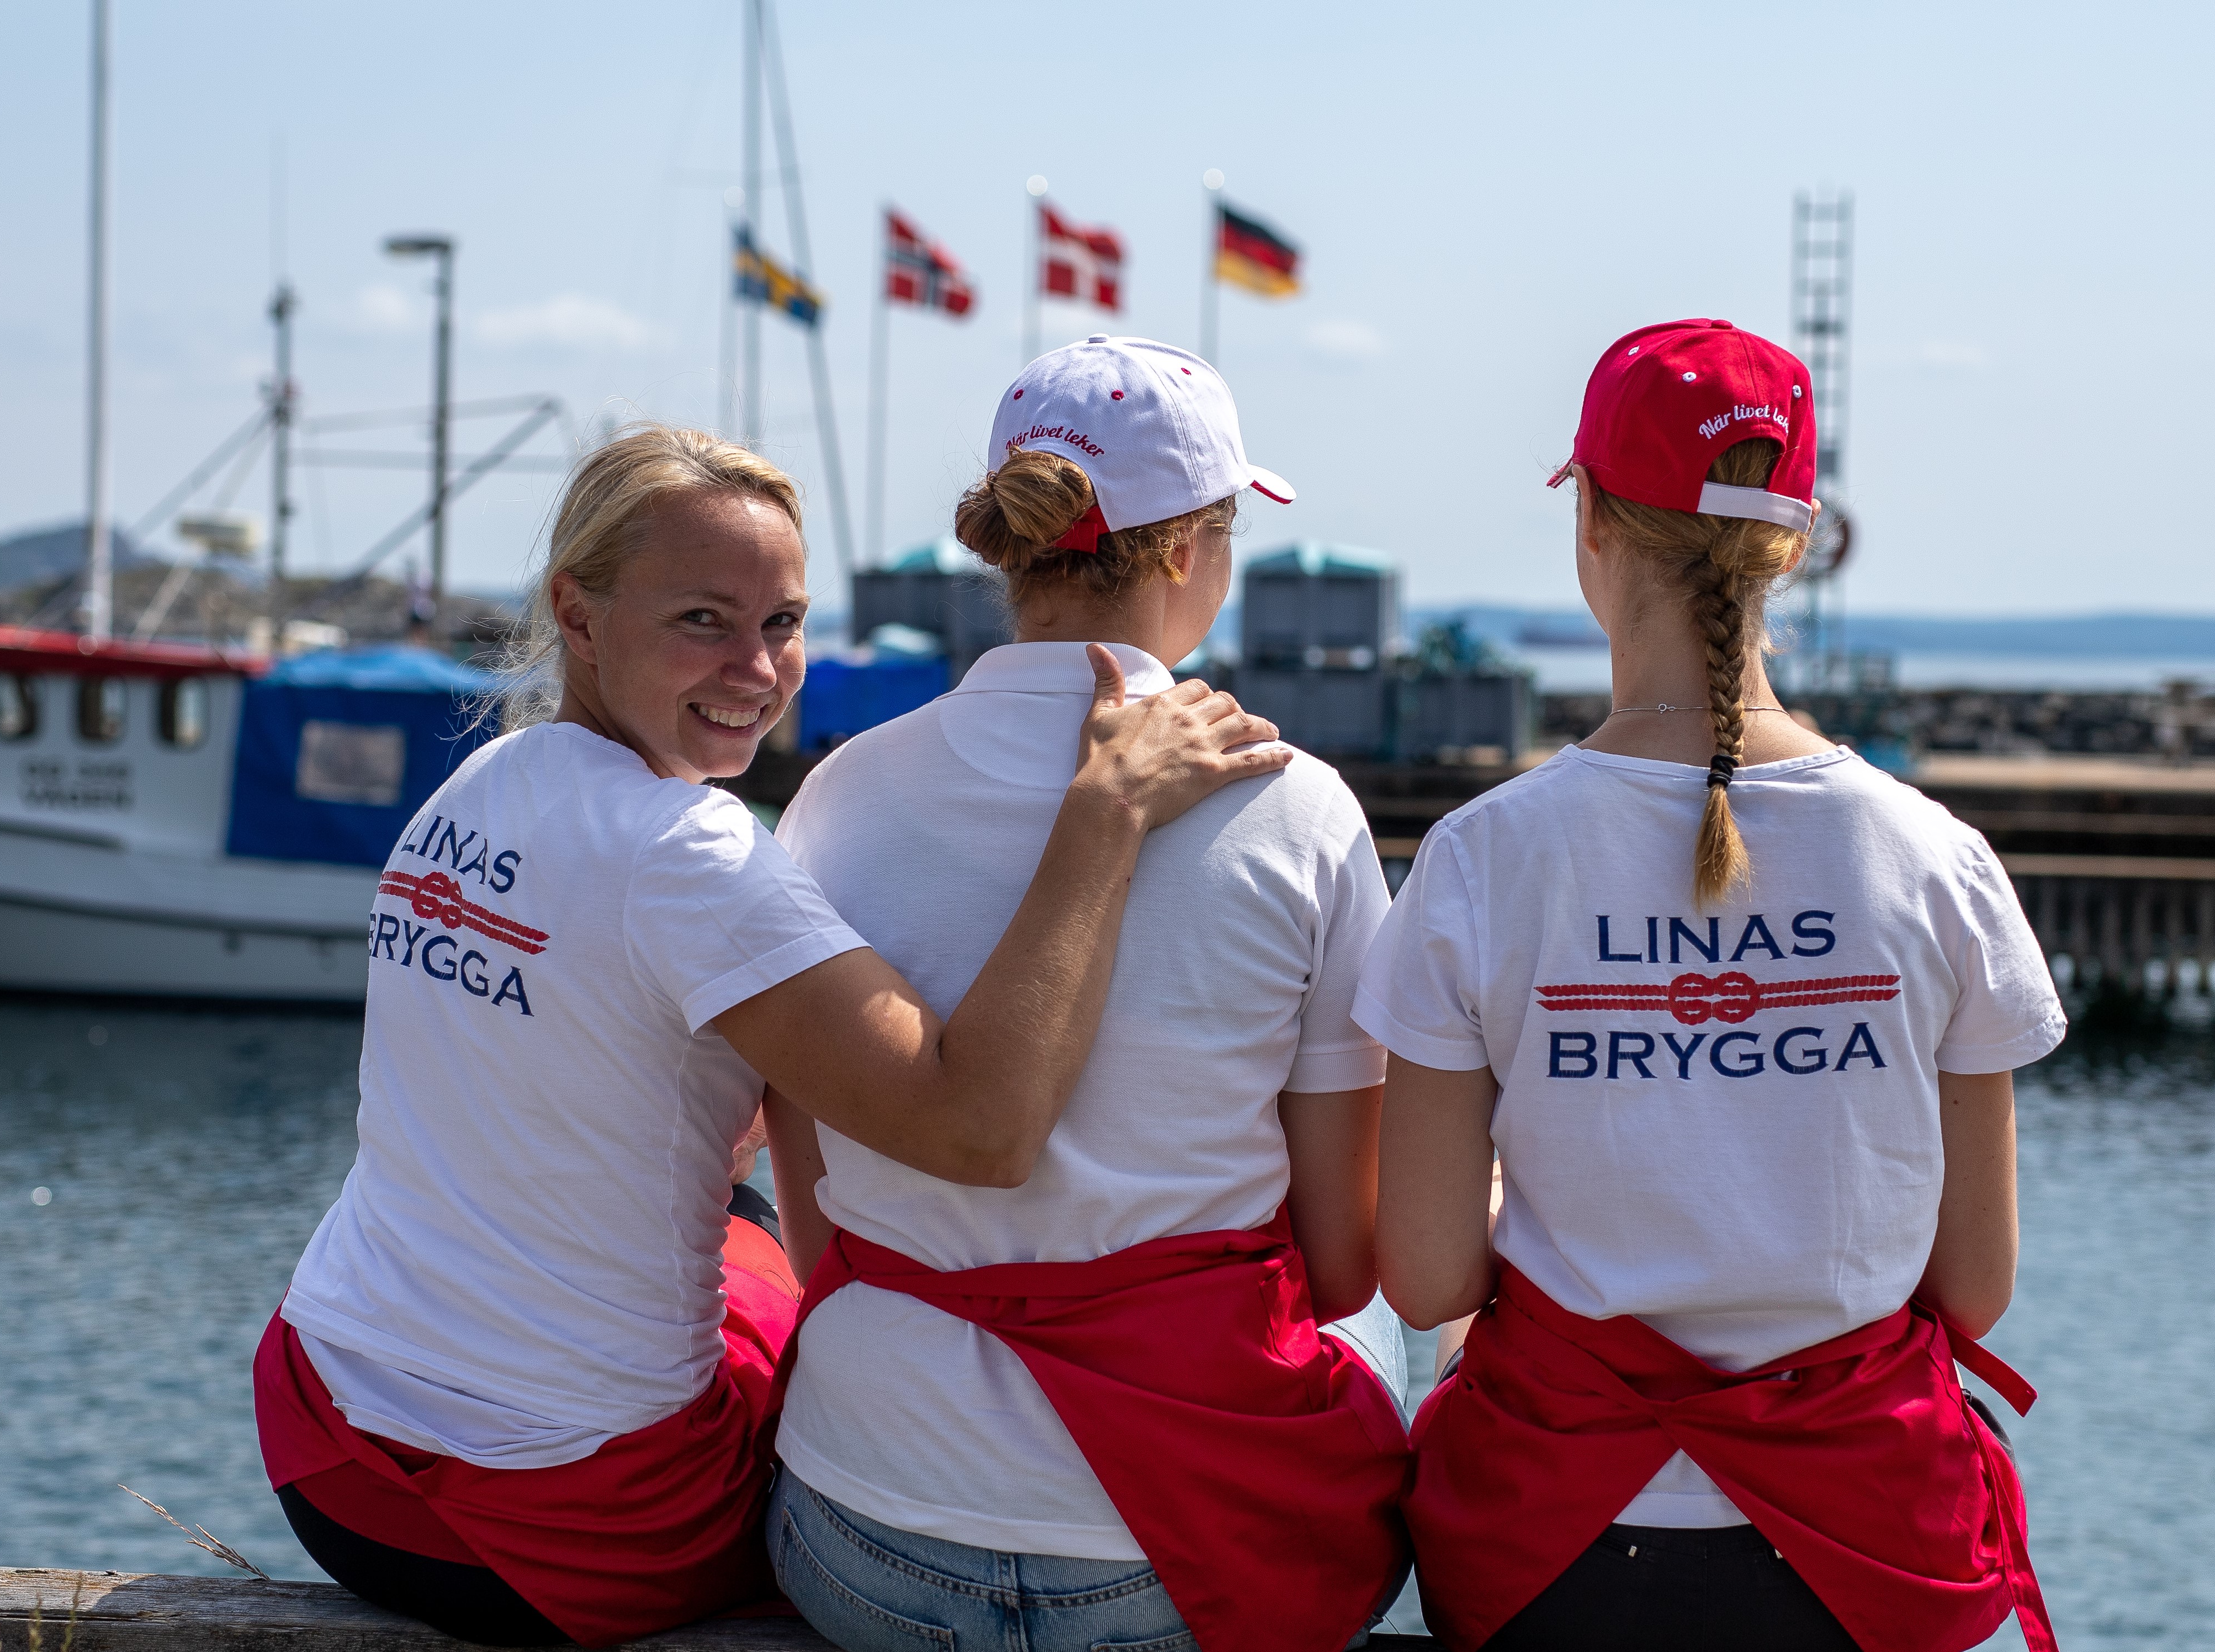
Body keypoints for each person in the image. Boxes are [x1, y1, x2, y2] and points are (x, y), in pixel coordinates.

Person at [253, 423, 1290, 1648]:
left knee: (753, 1235)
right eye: (705, 620)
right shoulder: (687, 853)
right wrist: (1105, 807)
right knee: (819, 1344)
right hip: (562, 1517)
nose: (757, 667)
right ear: (575, 615)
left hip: (326, 1438)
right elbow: (982, 1128)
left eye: (785, 623)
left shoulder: (480, 787)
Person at [1361, 319, 2066, 1652]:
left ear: (1592, 530)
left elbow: (1426, 1281)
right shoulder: (1936, 858)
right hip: (1867, 1547)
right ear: (1795, 546)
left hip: (1552, 1547)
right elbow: (1973, 1288)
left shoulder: (1481, 859)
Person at [762, 337, 1414, 1652]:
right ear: (1185, 552)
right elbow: (1342, 1267)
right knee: (1407, 1301)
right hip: (1173, 1559)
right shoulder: (1297, 811)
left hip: (868, 1536)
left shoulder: (840, 796)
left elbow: (813, 1210)